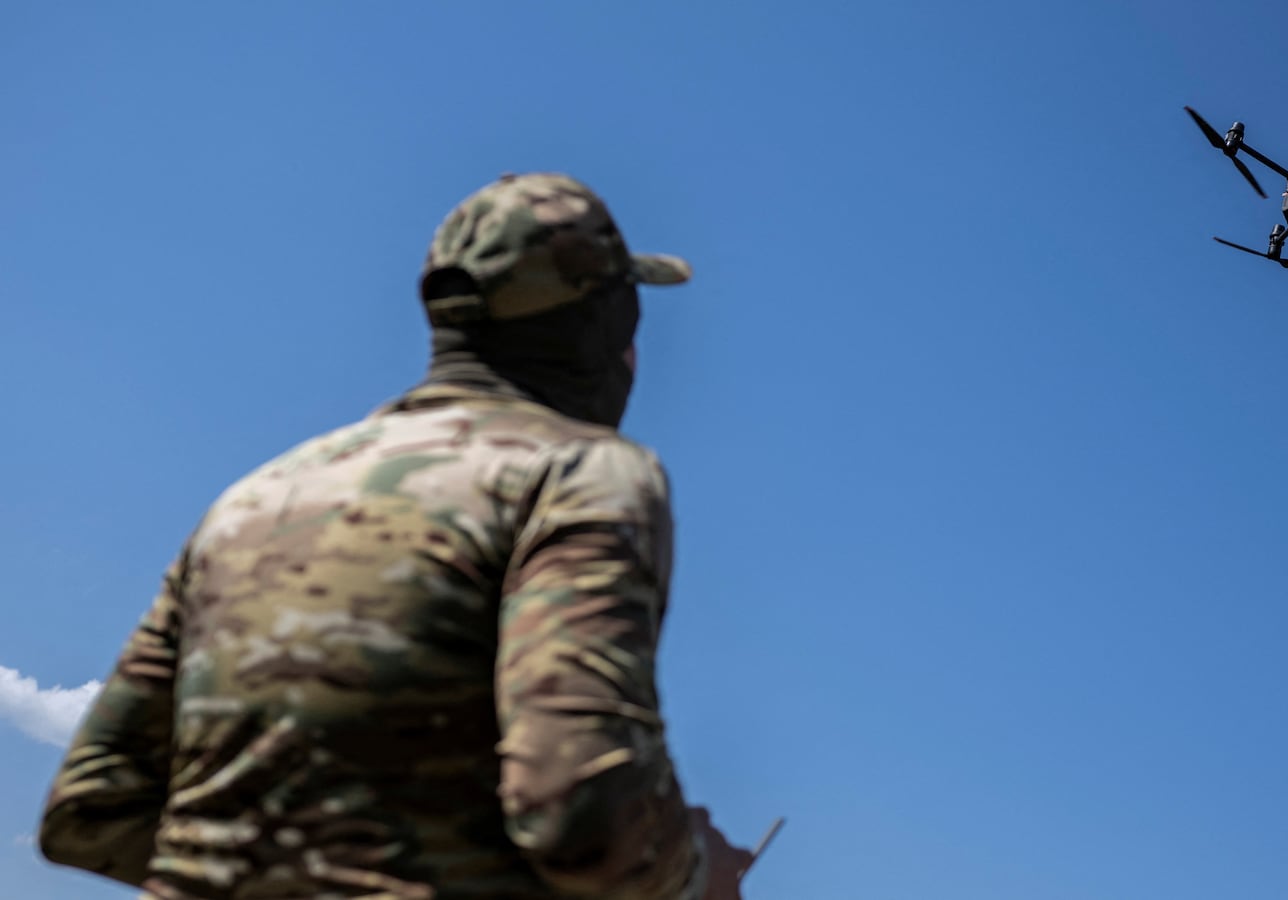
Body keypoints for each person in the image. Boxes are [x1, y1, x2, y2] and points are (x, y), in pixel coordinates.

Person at [36, 172, 755, 899]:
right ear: (604, 325)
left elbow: (91, 808)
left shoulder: (258, 496)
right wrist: (695, 877)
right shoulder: (580, 472)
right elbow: (582, 812)